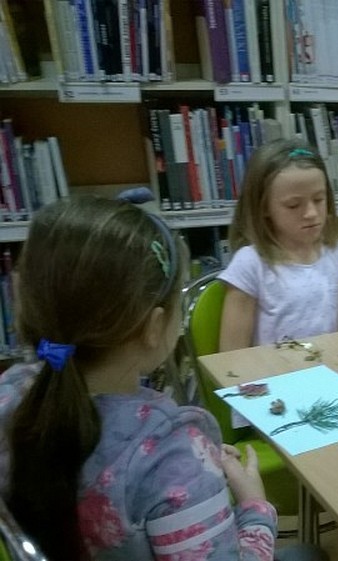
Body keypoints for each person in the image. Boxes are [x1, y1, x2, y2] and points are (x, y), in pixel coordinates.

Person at [0, 196, 287, 560]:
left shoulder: (11, 390)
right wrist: (255, 508)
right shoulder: (171, 452)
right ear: (155, 326)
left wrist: (197, 462)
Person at [219, 138, 338, 351]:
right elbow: (231, 355)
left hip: (333, 365)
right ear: (264, 208)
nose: (311, 213)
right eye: (293, 205)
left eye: (319, 199)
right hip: (274, 371)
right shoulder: (250, 263)